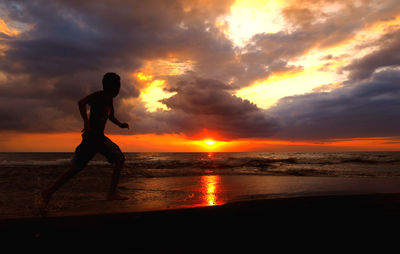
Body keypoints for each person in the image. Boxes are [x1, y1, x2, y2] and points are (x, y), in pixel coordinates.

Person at [41, 72, 130, 208]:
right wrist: (86, 123)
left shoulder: (109, 100)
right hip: (93, 137)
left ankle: (49, 192)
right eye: (118, 86)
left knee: (77, 168)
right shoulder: (99, 96)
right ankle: (111, 193)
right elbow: (81, 103)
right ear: (112, 87)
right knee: (118, 158)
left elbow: (111, 116)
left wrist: (120, 124)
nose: (119, 90)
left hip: (96, 138)